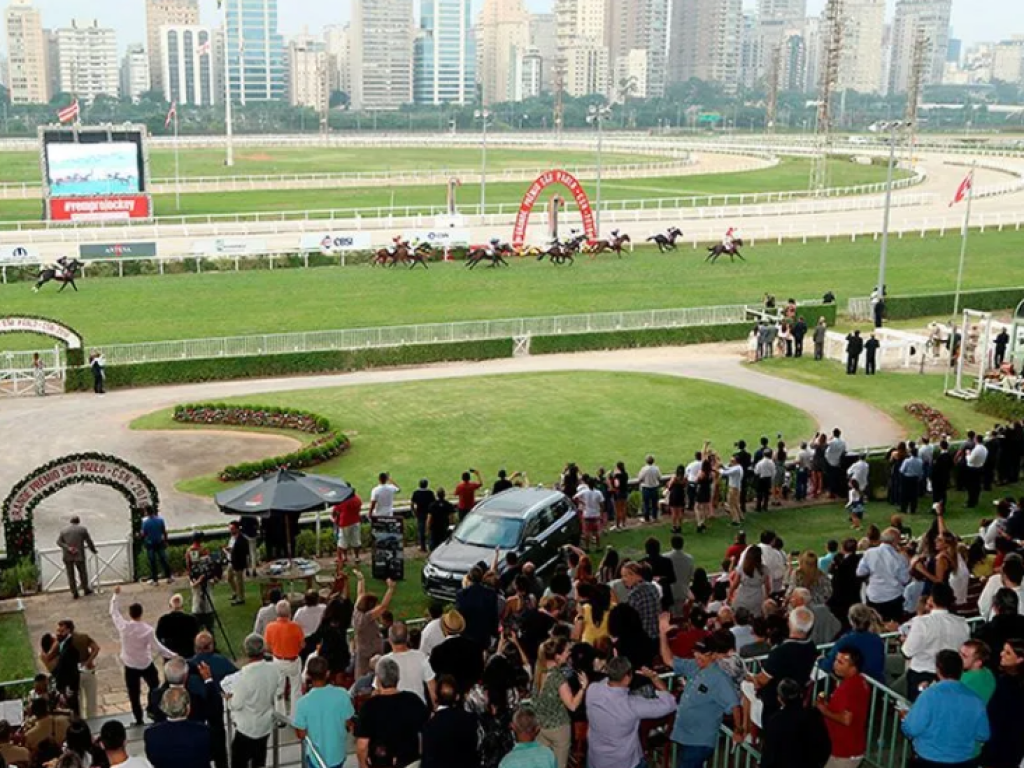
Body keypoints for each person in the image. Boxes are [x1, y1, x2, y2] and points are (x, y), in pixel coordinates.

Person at [657, 619, 742, 768]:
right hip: (685, 736)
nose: (698, 656)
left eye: (703, 654)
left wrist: (738, 729)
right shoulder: (693, 666)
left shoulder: (720, 678)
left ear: (714, 655)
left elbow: (734, 704)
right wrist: (663, 634)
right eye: (696, 652)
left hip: (699, 741)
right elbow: (668, 659)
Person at [900, 650, 990, 768]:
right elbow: (983, 734)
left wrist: (904, 719)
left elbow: (911, 729)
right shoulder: (975, 700)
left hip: (929, 759)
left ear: (938, 669)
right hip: (964, 761)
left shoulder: (929, 695)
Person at [585, 657, 676, 768]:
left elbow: (605, 681)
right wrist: (655, 678)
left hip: (597, 760)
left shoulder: (592, 690)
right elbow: (670, 704)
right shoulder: (633, 705)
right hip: (624, 763)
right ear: (627, 678)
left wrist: (615, 665)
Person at [110, 586, 174, 726]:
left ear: (130, 614)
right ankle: (153, 708)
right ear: (141, 613)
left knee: (134, 693)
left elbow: (114, 613)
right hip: (145, 664)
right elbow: (158, 647)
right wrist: (173, 655)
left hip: (130, 665)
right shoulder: (148, 630)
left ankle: (138, 718)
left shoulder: (124, 627)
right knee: (154, 686)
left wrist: (116, 596)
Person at [356, 658, 429, 768]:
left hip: (381, 762)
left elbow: (362, 746)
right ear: (398, 678)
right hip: (409, 762)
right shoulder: (413, 700)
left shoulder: (369, 706)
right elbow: (426, 733)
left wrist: (362, 765)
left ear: (378, 680)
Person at [901, 583, 971, 700]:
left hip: (922, 674)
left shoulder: (921, 622)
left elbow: (907, 652)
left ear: (931, 599)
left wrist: (904, 640)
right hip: (951, 676)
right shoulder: (962, 623)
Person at [751, 607, 819, 725]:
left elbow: (762, 680)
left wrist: (751, 678)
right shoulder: (811, 646)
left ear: (790, 624)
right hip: (796, 697)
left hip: (774, 702)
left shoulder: (781, 651)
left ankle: (749, 735)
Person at [228, 634, 281, 768]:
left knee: (238, 762)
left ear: (246, 651)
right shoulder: (274, 669)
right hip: (265, 726)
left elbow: (236, 704)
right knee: (259, 761)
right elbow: (279, 691)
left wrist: (228, 699)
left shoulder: (244, 676)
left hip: (247, 728)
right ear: (263, 650)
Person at [533, 638, 587, 768]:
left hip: (541, 728)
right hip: (558, 730)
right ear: (557, 656)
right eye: (566, 652)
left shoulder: (539, 671)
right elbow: (572, 706)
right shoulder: (558, 678)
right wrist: (583, 688)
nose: (568, 654)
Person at [294, 656, 355, 768]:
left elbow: (300, 733)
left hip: (316, 757)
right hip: (338, 753)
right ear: (327, 673)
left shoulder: (302, 703)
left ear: (308, 674)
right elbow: (349, 722)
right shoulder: (342, 694)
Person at [816, 648, 870, 768]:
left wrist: (824, 710)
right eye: (836, 660)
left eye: (841, 662)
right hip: (846, 747)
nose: (835, 664)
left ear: (853, 667)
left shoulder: (849, 688)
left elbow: (846, 719)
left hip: (845, 752)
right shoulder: (859, 681)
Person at [760, 678, 832, 768]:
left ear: (780, 698)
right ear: (800, 695)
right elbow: (825, 747)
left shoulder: (776, 721)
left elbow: (769, 755)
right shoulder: (813, 716)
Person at [980, 639, 1024, 768]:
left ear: (1020, 659)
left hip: (1001, 745)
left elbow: (996, 715)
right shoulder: (1007, 680)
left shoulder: (1008, 684)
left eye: (1008, 653)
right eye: (1003, 650)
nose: (1001, 654)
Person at [421, 676, 480, 768]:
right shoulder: (470, 720)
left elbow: (427, 762)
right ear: (457, 697)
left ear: (437, 696)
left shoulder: (429, 726)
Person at [144, 688, 211, 768]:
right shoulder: (203, 731)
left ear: (163, 707)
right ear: (188, 708)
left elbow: (152, 759)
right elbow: (209, 756)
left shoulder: (151, 734)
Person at [819, 605, 886, 682]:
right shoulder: (877, 639)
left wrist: (820, 661)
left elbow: (829, 665)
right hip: (877, 683)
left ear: (851, 621)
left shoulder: (846, 640)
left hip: (859, 685)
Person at [856, 528, 910, 622]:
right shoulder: (899, 558)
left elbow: (860, 572)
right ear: (895, 541)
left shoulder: (870, 553)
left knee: (875, 625)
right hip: (893, 597)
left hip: (874, 596)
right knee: (894, 627)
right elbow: (905, 579)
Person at [264, 600, 305, 718]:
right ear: (289, 613)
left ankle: (281, 716)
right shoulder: (296, 627)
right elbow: (302, 645)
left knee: (279, 689)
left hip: (278, 661)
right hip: (293, 661)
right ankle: (295, 716)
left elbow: (267, 647)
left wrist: (277, 651)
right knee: (296, 690)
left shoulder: (270, 627)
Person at [381, 622, 436, 706]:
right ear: (408, 638)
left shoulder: (384, 661)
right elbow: (432, 688)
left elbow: (379, 690)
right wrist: (436, 710)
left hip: (395, 711)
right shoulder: (421, 657)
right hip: (419, 710)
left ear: (389, 640)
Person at [353, 572, 396, 677]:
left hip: (361, 650)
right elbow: (383, 606)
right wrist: (390, 589)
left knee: (361, 677)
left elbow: (360, 594)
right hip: (372, 651)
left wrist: (361, 579)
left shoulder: (356, 612)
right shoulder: (366, 618)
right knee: (377, 676)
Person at [455, 566, 501, 649]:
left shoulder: (461, 594)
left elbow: (459, 614)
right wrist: (494, 633)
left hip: (466, 634)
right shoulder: (490, 594)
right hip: (483, 634)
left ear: (469, 577)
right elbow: (494, 616)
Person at [56, 516, 96, 599]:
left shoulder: (64, 530)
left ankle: (74, 592)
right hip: (79, 554)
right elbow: (89, 541)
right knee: (82, 573)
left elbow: (58, 542)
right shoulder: (82, 530)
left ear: (71, 522)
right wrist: (93, 550)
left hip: (67, 555)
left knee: (71, 575)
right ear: (78, 521)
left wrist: (68, 548)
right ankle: (85, 589)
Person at [155, 594, 200, 660]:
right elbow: (197, 637)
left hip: (170, 655)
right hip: (188, 655)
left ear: (170, 606)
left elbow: (158, 637)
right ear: (182, 606)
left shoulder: (164, 620)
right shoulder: (191, 619)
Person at [140, 508, 173, 585]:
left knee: (153, 562)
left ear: (147, 513)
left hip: (150, 544)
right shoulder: (160, 520)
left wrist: (140, 534)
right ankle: (169, 577)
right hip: (159, 542)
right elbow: (164, 532)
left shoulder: (145, 522)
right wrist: (166, 541)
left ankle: (155, 580)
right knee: (164, 560)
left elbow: (144, 534)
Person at [331, 487, 363, 565]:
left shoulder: (343, 501)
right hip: (356, 522)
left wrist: (334, 519)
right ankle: (357, 557)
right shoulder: (358, 499)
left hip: (344, 524)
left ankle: (341, 558)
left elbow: (334, 512)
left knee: (342, 542)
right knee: (356, 541)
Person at [668, 535, 696, 617]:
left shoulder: (665, 557)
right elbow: (691, 576)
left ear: (671, 544)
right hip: (683, 592)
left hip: (670, 592)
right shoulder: (689, 558)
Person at [223, 521, 248, 606]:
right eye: (230, 529)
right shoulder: (232, 538)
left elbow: (243, 551)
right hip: (231, 561)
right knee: (229, 578)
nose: (231, 530)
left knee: (239, 581)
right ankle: (235, 592)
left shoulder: (242, 539)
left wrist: (232, 551)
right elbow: (232, 548)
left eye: (232, 529)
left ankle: (241, 598)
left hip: (238, 562)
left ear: (237, 529)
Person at [411, 480, 436, 553]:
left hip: (420, 513)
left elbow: (412, 504)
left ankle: (423, 547)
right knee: (430, 529)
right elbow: (434, 503)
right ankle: (431, 545)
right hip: (429, 513)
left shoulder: (416, 493)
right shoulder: (430, 493)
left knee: (421, 530)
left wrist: (414, 512)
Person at [637, 455, 662, 524]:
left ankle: (647, 519)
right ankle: (655, 517)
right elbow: (660, 478)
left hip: (646, 488)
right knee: (654, 504)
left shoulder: (644, 469)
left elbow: (639, 479)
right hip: (654, 488)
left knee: (646, 504)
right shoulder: (656, 468)